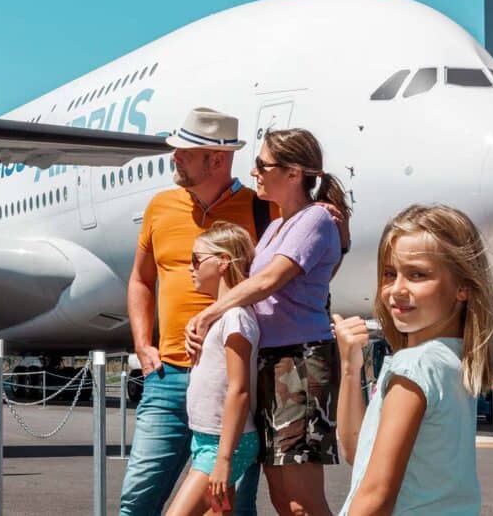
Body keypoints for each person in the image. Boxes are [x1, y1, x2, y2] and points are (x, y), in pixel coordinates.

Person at [121, 107, 279, 516]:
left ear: (216, 159)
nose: (174, 157)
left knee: (229, 507)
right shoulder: (160, 207)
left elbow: (287, 274)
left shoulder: (263, 210)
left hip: (231, 382)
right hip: (167, 376)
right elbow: (141, 280)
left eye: (185, 152)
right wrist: (142, 344)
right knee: (137, 499)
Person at [185, 127, 351, 516]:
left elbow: (269, 280)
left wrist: (210, 313)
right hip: (272, 362)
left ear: (294, 173)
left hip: (298, 364)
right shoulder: (279, 225)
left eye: (262, 164)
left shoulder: (313, 220)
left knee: (300, 503)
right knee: (282, 499)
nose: (254, 171)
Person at [332, 205, 493, 515]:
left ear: (462, 286)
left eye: (417, 275)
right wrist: (350, 367)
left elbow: (376, 494)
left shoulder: (415, 365)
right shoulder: (452, 360)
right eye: (390, 274)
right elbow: (359, 453)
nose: (397, 290)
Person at [165, 222, 260, 516]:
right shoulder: (220, 317)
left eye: (196, 260)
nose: (190, 268)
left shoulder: (235, 318)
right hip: (207, 439)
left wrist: (224, 458)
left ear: (222, 262)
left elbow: (239, 390)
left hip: (224, 443)